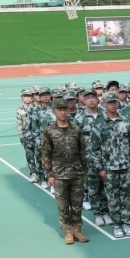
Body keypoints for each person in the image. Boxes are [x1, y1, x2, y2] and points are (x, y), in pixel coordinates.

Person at [40, 99, 89, 244]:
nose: (63, 112)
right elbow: (46, 154)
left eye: (65, 109)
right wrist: (49, 174)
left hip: (76, 171)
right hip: (59, 173)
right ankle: (67, 231)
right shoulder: (49, 131)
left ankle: (77, 230)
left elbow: (82, 151)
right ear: (53, 111)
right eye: (59, 109)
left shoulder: (76, 129)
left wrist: (84, 171)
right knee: (63, 204)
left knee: (77, 203)